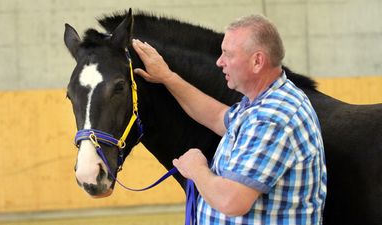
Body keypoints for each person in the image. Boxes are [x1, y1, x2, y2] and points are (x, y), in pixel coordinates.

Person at [132, 14, 327, 225]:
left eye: (227, 54)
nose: (219, 62)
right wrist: (168, 77)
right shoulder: (263, 103)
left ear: (257, 61)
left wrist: (197, 169)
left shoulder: (272, 119)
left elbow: (231, 201)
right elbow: (216, 116)